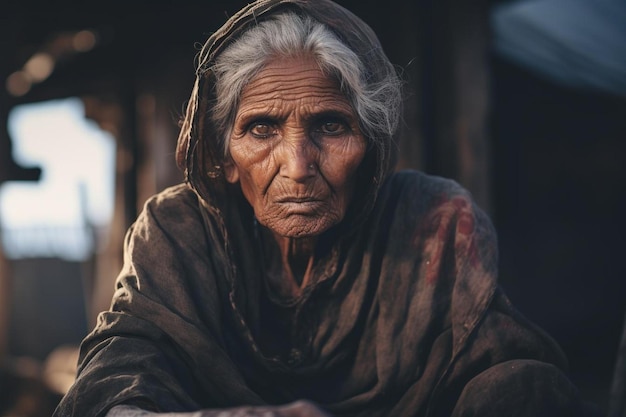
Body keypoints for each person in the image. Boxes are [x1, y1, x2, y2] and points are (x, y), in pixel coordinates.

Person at [54, 1, 594, 416]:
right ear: (225, 156)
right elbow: (120, 368)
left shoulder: (434, 221)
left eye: (331, 126)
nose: (297, 164)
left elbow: (509, 371)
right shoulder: (175, 231)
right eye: (261, 128)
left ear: (372, 146)